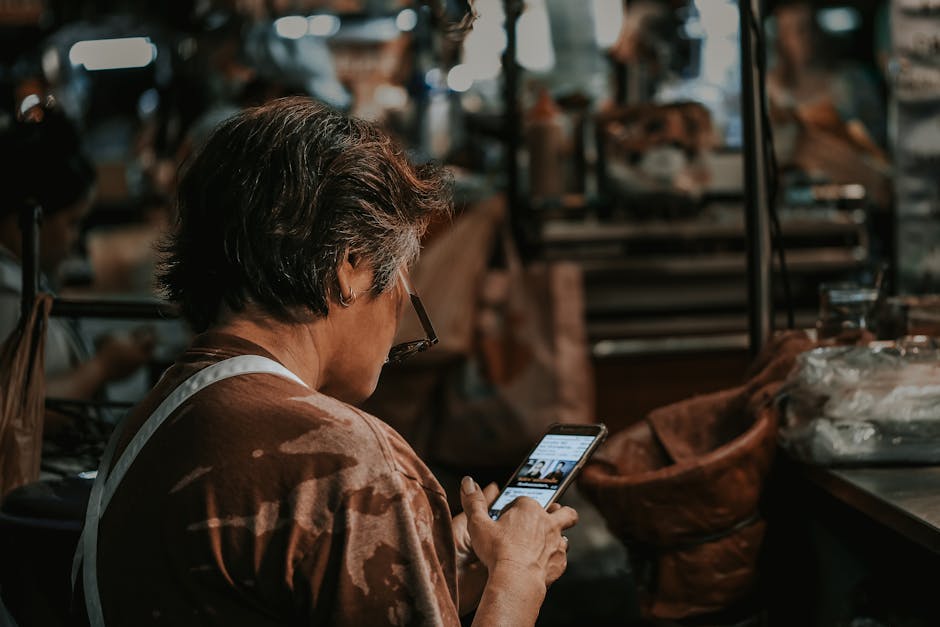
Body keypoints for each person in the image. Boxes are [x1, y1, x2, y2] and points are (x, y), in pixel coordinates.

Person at [75, 97, 577, 626]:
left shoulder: (152, 417)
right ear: (353, 267)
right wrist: (517, 576)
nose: (397, 325)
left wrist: (413, 553)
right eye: (404, 288)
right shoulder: (347, 459)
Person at [0, 101, 154, 433]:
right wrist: (100, 367)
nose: (75, 241)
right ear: (25, 223)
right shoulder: (7, 294)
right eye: (71, 223)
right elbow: (12, 409)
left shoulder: (23, 280)